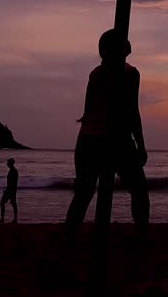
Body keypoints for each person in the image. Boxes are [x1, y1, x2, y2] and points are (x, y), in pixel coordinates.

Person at [63, 29, 149, 238]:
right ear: (121, 49)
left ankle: (69, 237)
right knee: (139, 191)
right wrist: (141, 145)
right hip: (114, 139)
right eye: (125, 41)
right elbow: (131, 112)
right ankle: (142, 236)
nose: (129, 42)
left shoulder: (96, 73)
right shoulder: (130, 73)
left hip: (87, 139)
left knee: (83, 194)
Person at [0, 158, 19, 224]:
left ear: (10, 163)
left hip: (11, 190)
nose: (7, 164)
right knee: (13, 204)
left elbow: (13, 183)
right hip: (11, 190)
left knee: (3, 203)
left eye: (8, 162)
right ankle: (14, 219)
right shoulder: (12, 171)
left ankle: (4, 219)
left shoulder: (13, 171)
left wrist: (8, 190)